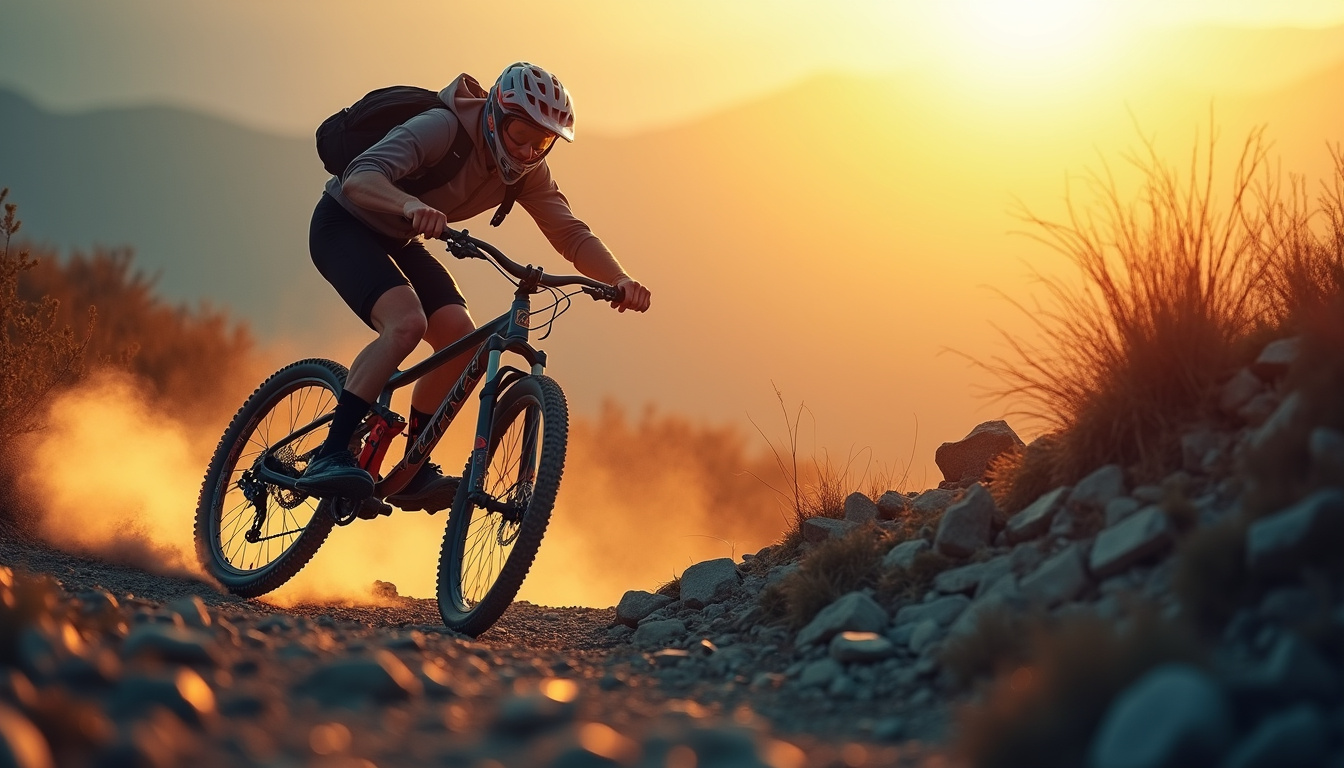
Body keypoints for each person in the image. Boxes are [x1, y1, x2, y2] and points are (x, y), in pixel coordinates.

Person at [299, 62, 651, 511]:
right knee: (406, 323)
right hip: (343, 223)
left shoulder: (527, 173)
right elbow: (359, 178)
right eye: (520, 133)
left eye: (542, 141)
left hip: (399, 236)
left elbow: (571, 234)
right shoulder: (442, 129)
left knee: (460, 339)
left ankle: (411, 467)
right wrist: (409, 204)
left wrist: (619, 279)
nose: (527, 150)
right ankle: (330, 453)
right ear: (494, 115)